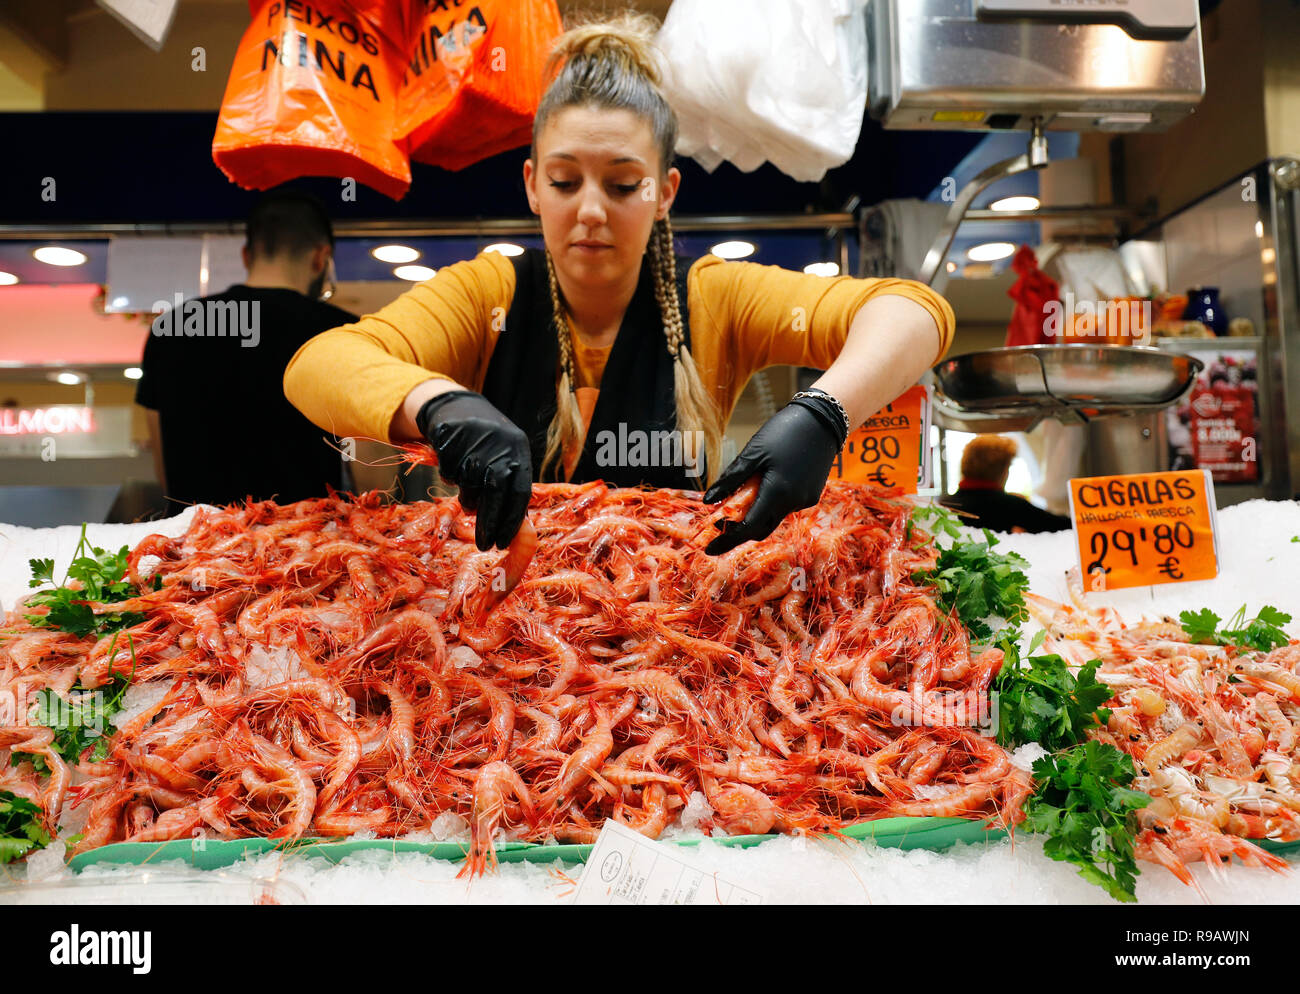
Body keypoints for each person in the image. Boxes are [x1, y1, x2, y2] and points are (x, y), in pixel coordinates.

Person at [284, 15, 956, 555]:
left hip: (668, 631)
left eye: (624, 183)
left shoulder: (713, 297)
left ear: (665, 191)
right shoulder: (485, 293)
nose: (592, 210)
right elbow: (318, 366)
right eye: (565, 180)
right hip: (498, 635)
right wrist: (436, 404)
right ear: (531, 186)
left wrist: (823, 414)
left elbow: (917, 311)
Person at [137, 189, 358, 508]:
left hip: (197, 546)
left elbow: (163, 468)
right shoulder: (345, 332)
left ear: (246, 255)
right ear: (320, 258)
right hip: (308, 547)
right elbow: (369, 467)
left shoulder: (172, 327)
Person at [940, 435, 1070, 534]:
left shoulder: (945, 504)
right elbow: (1062, 526)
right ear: (1001, 471)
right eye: (1008, 467)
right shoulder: (1012, 506)